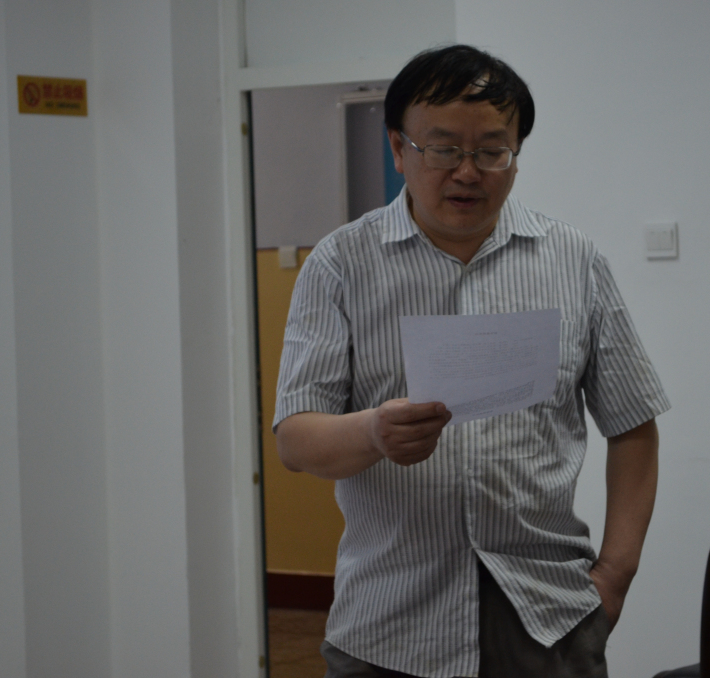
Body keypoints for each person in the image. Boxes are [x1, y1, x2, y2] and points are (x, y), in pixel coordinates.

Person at [274, 44, 670, 678]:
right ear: (398, 148)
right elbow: (295, 439)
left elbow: (633, 423)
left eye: (491, 151)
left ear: (516, 153)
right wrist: (373, 432)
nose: (467, 172)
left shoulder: (573, 260)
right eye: (442, 149)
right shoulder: (340, 265)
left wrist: (615, 576)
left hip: (548, 619)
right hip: (389, 624)